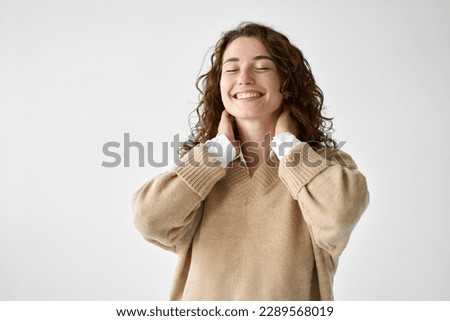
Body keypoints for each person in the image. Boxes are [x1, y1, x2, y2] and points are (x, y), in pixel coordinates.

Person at [132, 22, 369, 300]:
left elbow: (337, 219)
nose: (244, 78)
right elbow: (149, 219)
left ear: (286, 82)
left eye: (262, 67)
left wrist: (288, 148)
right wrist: (217, 153)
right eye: (231, 69)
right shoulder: (201, 169)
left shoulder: (327, 166)